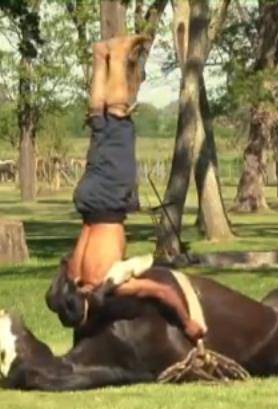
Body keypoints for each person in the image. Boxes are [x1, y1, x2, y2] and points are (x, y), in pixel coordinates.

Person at [67, 35, 205, 341]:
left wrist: (187, 324)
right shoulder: (73, 275)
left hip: (109, 201)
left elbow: (162, 291)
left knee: (118, 122)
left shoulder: (106, 282)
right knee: (100, 124)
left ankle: (115, 56)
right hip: (89, 201)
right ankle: (100, 58)